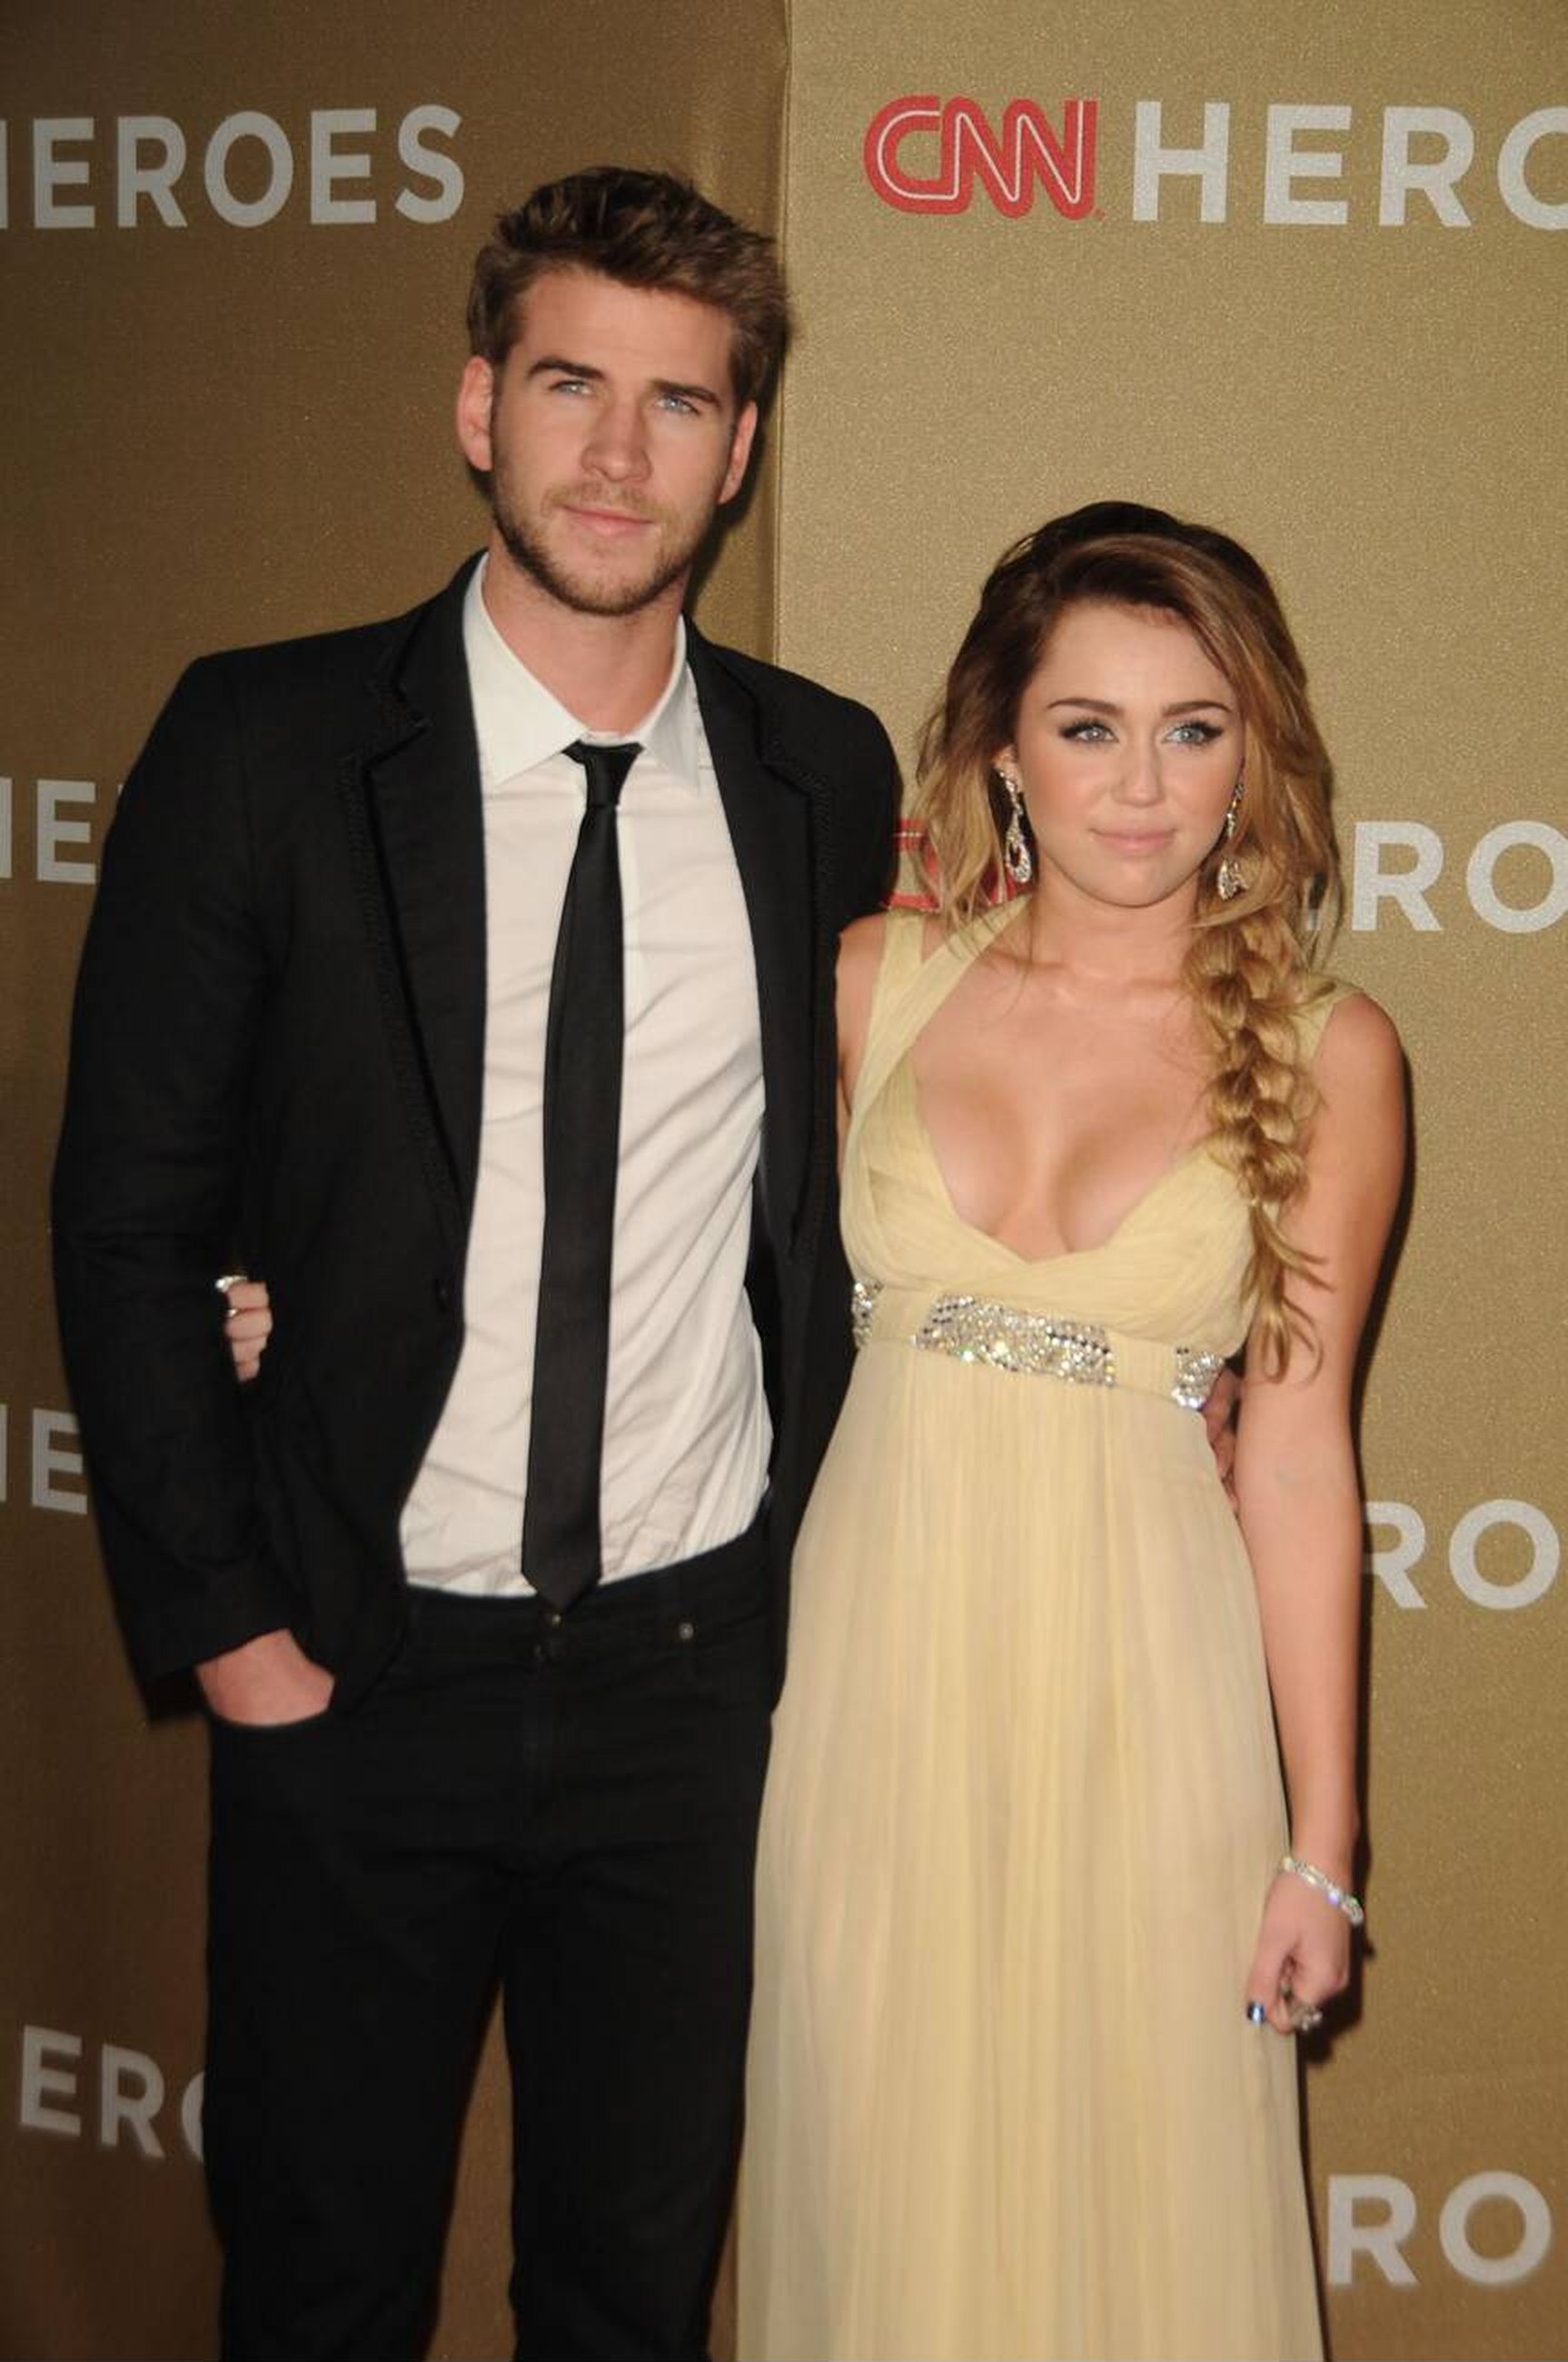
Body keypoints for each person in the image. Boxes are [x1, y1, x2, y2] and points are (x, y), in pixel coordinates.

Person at [51, 168, 900, 2362]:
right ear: (474, 407)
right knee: (318, 2292)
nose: (617, 453)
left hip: (689, 1679)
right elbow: (128, 1213)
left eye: (677, 402)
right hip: (355, 1663)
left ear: (740, 444)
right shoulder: (265, 745)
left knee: (630, 2300)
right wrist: (234, 1631)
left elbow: (859, 1195)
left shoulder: (817, 772)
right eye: (567, 385)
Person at [735, 504, 1405, 2362]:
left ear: (1251, 754)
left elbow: (1297, 1452)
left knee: (1139, 2219)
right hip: (868, 1683)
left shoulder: (1329, 1047)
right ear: (999, 749)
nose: (1139, 784)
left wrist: (1321, 1838)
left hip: (1152, 1695)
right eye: (1087, 727)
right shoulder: (867, 985)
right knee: (879, 2182)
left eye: (1192, 728)